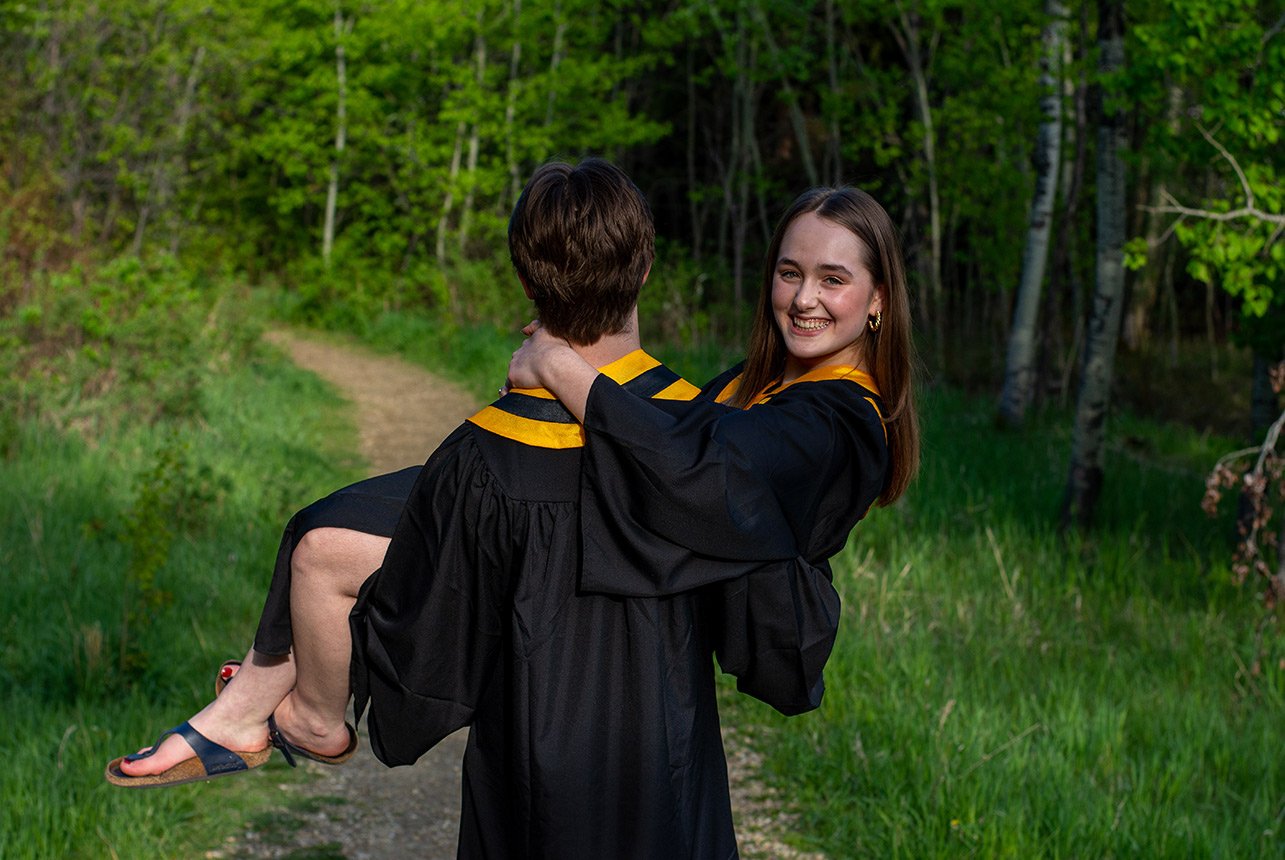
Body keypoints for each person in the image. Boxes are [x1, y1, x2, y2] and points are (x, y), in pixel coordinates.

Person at [107, 158, 846, 857]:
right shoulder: (705, 437)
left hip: (530, 788)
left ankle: (269, 719)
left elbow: (426, 636)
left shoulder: (480, 458)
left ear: (525, 280)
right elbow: (771, 613)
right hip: (668, 782)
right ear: (645, 268)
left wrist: (312, 682)